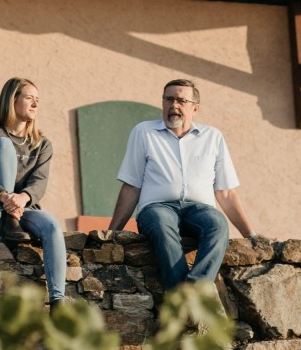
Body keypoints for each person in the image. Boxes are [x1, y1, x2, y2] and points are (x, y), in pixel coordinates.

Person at [108, 78, 256, 288]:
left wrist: (252, 235)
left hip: (199, 211)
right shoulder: (144, 132)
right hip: (158, 208)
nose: (174, 105)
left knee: (218, 224)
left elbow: (226, 193)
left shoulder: (213, 137)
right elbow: (132, 187)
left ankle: (193, 292)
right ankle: (182, 299)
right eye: (168, 99)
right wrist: (112, 233)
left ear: (195, 109)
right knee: (161, 222)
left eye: (181, 101)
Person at [0, 76, 67, 306]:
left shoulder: (42, 144)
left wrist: (22, 198)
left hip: (20, 213)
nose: (35, 104)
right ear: (13, 100)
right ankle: (8, 218)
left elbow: (39, 182)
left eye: (38, 99)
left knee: (51, 225)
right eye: (29, 97)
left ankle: (58, 302)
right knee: (3, 145)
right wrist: (4, 197)